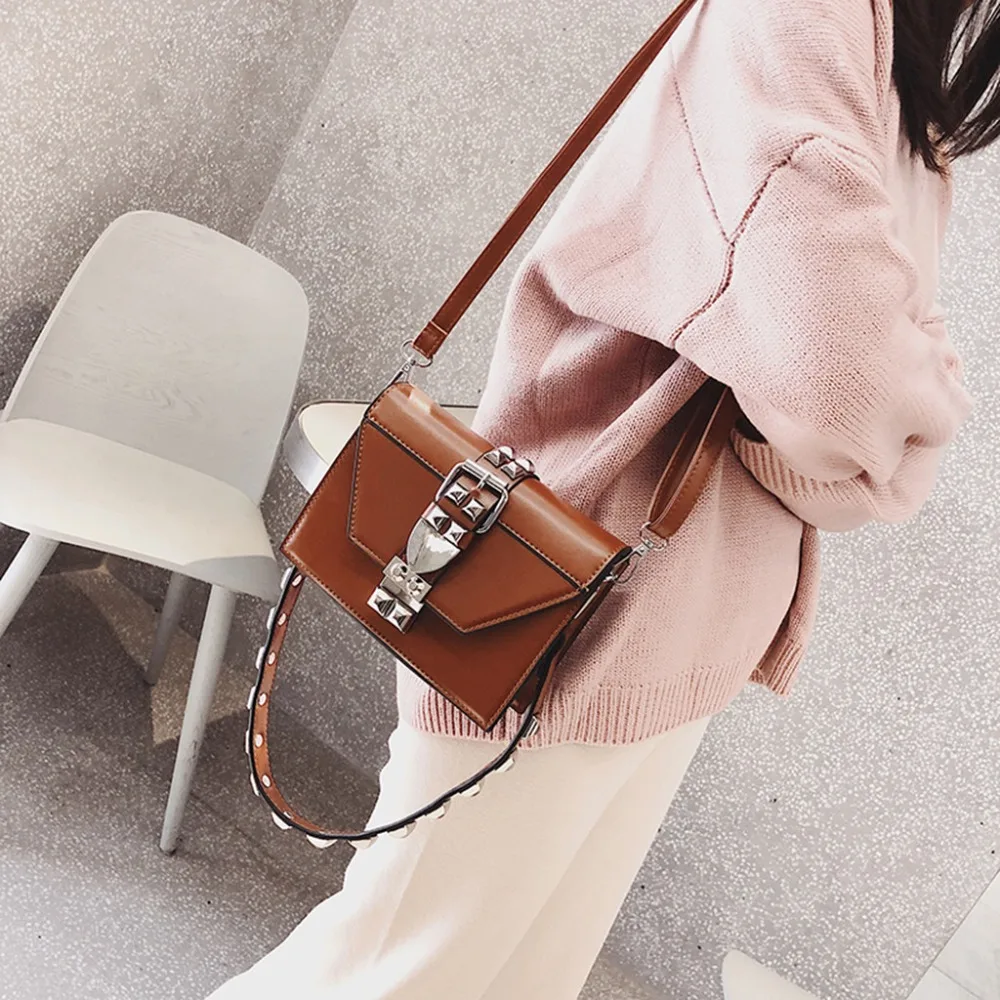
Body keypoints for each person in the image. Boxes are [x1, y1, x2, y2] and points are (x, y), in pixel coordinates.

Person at [206, 1, 997, 997]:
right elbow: (844, 379)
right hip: (562, 606)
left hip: (680, 627)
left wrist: (880, 419)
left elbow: (857, 387)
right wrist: (898, 427)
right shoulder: (806, 14)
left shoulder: (904, 87)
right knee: (388, 973)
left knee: (507, 978)